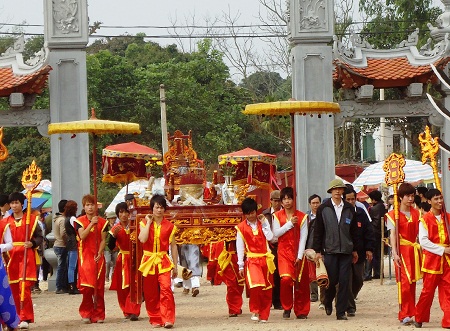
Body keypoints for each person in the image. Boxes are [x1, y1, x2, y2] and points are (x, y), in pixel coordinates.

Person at [313, 179, 359, 321]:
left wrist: (355, 249)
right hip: (330, 250)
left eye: (340, 189)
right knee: (331, 281)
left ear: (343, 191)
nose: (338, 191)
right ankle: (327, 301)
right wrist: (318, 251)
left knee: (345, 281)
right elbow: (319, 230)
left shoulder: (350, 208)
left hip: (346, 250)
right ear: (331, 191)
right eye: (335, 189)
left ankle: (341, 312)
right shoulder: (323, 208)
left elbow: (354, 231)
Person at [4, 192, 43, 330]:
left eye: (17, 203)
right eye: (12, 203)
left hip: (27, 256)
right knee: (13, 288)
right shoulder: (5, 222)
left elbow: (39, 237)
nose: (14, 206)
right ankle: (14, 318)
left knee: (24, 288)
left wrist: (32, 243)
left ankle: (25, 316)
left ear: (22, 204)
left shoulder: (31, 220)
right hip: (11, 257)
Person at [138, 194, 178, 329]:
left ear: (164, 209)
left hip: (163, 260)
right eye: (156, 207)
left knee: (166, 288)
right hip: (148, 260)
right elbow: (142, 239)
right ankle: (155, 318)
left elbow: (173, 246)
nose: (159, 210)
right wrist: (149, 222)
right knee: (150, 292)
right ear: (152, 208)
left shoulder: (170, 226)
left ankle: (168, 319)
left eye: (161, 207)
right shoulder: (143, 223)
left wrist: (176, 265)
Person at [386, 183, 421, 325]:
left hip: (414, 250)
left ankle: (411, 311)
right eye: (408, 196)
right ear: (400, 197)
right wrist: (394, 252)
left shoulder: (416, 213)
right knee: (404, 283)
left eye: (412, 196)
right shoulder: (392, 215)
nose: (410, 198)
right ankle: (404, 313)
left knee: (412, 283)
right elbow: (392, 235)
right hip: (402, 251)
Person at [414, 189, 450, 329]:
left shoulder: (448, 217)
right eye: (436, 199)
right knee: (428, 291)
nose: (440, 201)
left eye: (441, 198)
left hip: (447, 261)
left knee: (448, 290)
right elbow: (424, 242)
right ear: (429, 201)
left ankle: (448, 320)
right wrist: (442, 250)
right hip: (432, 262)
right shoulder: (424, 220)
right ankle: (420, 316)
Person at [272, 187, 309, 319]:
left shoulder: (302, 217)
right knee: (286, 280)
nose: (287, 201)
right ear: (281, 202)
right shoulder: (276, 216)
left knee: (300, 283)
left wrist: (299, 256)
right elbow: (276, 234)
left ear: (294, 199)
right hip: (283, 252)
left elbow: (304, 237)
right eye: (285, 199)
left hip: (298, 252)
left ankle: (301, 310)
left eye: (289, 198)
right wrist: (289, 224)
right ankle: (286, 306)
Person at [236, 197, 274, 323]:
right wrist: (240, 265)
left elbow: (270, 237)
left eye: (252, 213)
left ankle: (264, 315)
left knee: (267, 288)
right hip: (252, 259)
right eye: (247, 213)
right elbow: (240, 247)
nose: (250, 216)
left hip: (265, 258)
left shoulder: (263, 222)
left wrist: (264, 224)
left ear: (256, 211)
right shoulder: (241, 228)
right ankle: (255, 310)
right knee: (256, 285)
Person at [75, 194, 108, 324]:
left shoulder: (103, 222)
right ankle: (86, 312)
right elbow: (82, 236)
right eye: (87, 205)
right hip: (85, 256)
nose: (90, 207)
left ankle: (99, 314)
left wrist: (100, 252)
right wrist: (91, 224)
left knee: (99, 288)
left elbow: (103, 240)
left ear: (96, 206)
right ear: (84, 207)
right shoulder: (79, 221)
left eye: (92, 204)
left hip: (97, 257)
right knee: (87, 287)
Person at [108, 202, 141, 321]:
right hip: (122, 259)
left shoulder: (135, 226)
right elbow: (111, 247)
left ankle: (134, 311)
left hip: (135, 258)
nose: (124, 214)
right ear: (117, 214)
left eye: (126, 211)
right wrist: (113, 236)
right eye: (121, 212)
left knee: (136, 285)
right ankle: (126, 310)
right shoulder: (115, 228)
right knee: (122, 287)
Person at [344, 187, 374, 317]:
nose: (351, 201)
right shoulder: (340, 213)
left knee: (359, 279)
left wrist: (369, 248)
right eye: (348, 199)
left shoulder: (361, 212)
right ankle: (349, 306)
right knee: (346, 280)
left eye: (353, 199)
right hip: (344, 253)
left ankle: (349, 297)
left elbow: (369, 231)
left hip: (360, 252)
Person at [262, 190, 282, 310]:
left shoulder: (285, 213)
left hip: (282, 246)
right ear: (270, 201)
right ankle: (268, 300)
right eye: (275, 201)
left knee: (280, 275)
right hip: (269, 248)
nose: (277, 203)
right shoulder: (265, 214)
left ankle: (278, 301)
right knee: (269, 275)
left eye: (279, 200)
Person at [217, 240, 244, 317]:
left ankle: (237, 306)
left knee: (240, 284)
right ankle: (233, 309)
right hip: (229, 258)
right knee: (231, 284)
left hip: (242, 256)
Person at [365, 190, 386, 281]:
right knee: (378, 254)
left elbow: (371, 221)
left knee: (372, 253)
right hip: (380, 232)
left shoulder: (374, 209)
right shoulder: (383, 206)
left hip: (374, 233)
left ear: (374, 199)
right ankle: (378, 272)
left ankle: (368, 273)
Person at [306, 194, 321, 305]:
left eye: (317, 203)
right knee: (311, 272)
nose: (315, 205)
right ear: (310, 204)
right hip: (310, 247)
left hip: (322, 247)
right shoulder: (306, 217)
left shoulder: (324, 215)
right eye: (313, 203)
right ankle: (314, 294)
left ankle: (325, 295)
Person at [64, 200, 80, 295]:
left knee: (70, 265)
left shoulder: (66, 218)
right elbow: (77, 230)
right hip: (74, 242)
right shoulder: (73, 218)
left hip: (69, 242)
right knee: (73, 266)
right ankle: (72, 286)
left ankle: (71, 285)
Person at [53, 199, 68, 294]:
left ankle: (61, 286)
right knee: (61, 266)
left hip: (57, 244)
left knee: (62, 266)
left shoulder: (57, 218)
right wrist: (67, 242)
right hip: (61, 245)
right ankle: (59, 286)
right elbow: (63, 233)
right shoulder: (62, 219)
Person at [104, 211, 118, 283]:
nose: (113, 219)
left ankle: (113, 276)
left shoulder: (116, 226)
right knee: (108, 261)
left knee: (115, 263)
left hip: (115, 247)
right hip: (107, 247)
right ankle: (106, 276)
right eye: (111, 218)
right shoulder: (106, 226)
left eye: (114, 218)